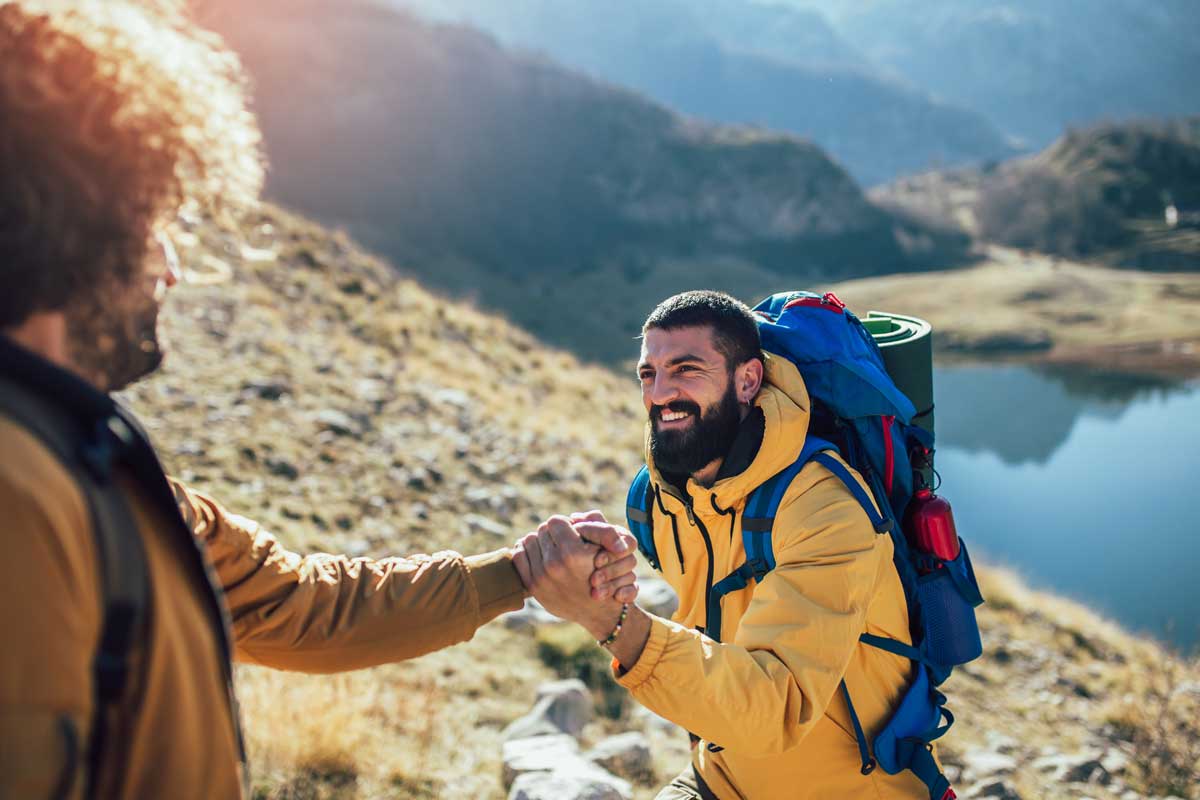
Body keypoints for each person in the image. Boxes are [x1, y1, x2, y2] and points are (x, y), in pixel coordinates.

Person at [0, 4, 635, 798]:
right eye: (154, 222)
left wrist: (519, 572)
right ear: (75, 222)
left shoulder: (89, 470)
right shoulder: (21, 497)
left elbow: (304, 606)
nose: (170, 268)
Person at [516, 291, 933, 799]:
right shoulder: (662, 497)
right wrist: (603, 575)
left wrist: (612, 621)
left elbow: (773, 707)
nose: (659, 393)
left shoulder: (825, 506)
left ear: (747, 380)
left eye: (686, 369)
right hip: (718, 782)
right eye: (648, 374)